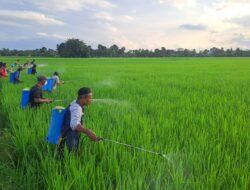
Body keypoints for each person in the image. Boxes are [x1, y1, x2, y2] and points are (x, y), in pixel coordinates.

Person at [59, 87, 98, 153]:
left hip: (69, 134)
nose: (91, 100)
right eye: (90, 97)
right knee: (70, 155)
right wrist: (88, 132)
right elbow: (74, 124)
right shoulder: (76, 108)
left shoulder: (75, 103)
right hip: (69, 137)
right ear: (83, 98)